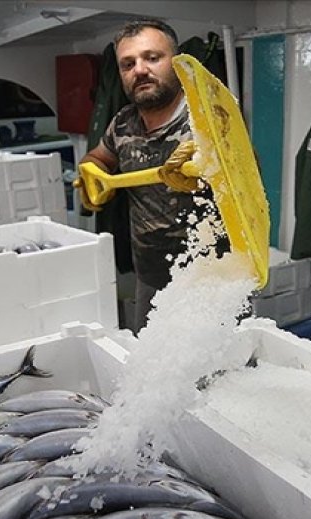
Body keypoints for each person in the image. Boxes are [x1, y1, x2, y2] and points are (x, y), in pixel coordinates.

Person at [76, 19, 219, 332]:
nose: (139, 70)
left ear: (177, 62)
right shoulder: (123, 122)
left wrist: (210, 169)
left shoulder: (209, 116)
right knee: (153, 360)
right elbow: (99, 156)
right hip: (150, 280)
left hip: (212, 281)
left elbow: (249, 179)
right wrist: (92, 172)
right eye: (128, 64)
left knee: (219, 363)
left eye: (152, 58)